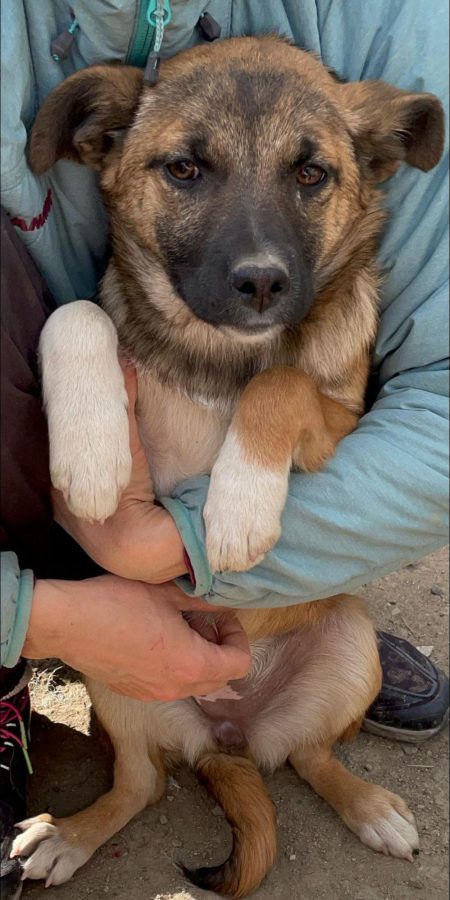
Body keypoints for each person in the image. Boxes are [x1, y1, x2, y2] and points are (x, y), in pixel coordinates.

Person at [1, 2, 448, 897]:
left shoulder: (390, 25)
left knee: (344, 642)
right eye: (190, 169)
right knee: (68, 327)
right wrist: (33, 613)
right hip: (128, 613)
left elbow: (373, 423)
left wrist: (189, 531)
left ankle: (322, 766)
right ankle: (125, 794)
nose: (258, 258)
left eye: (309, 175)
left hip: (290, 628)